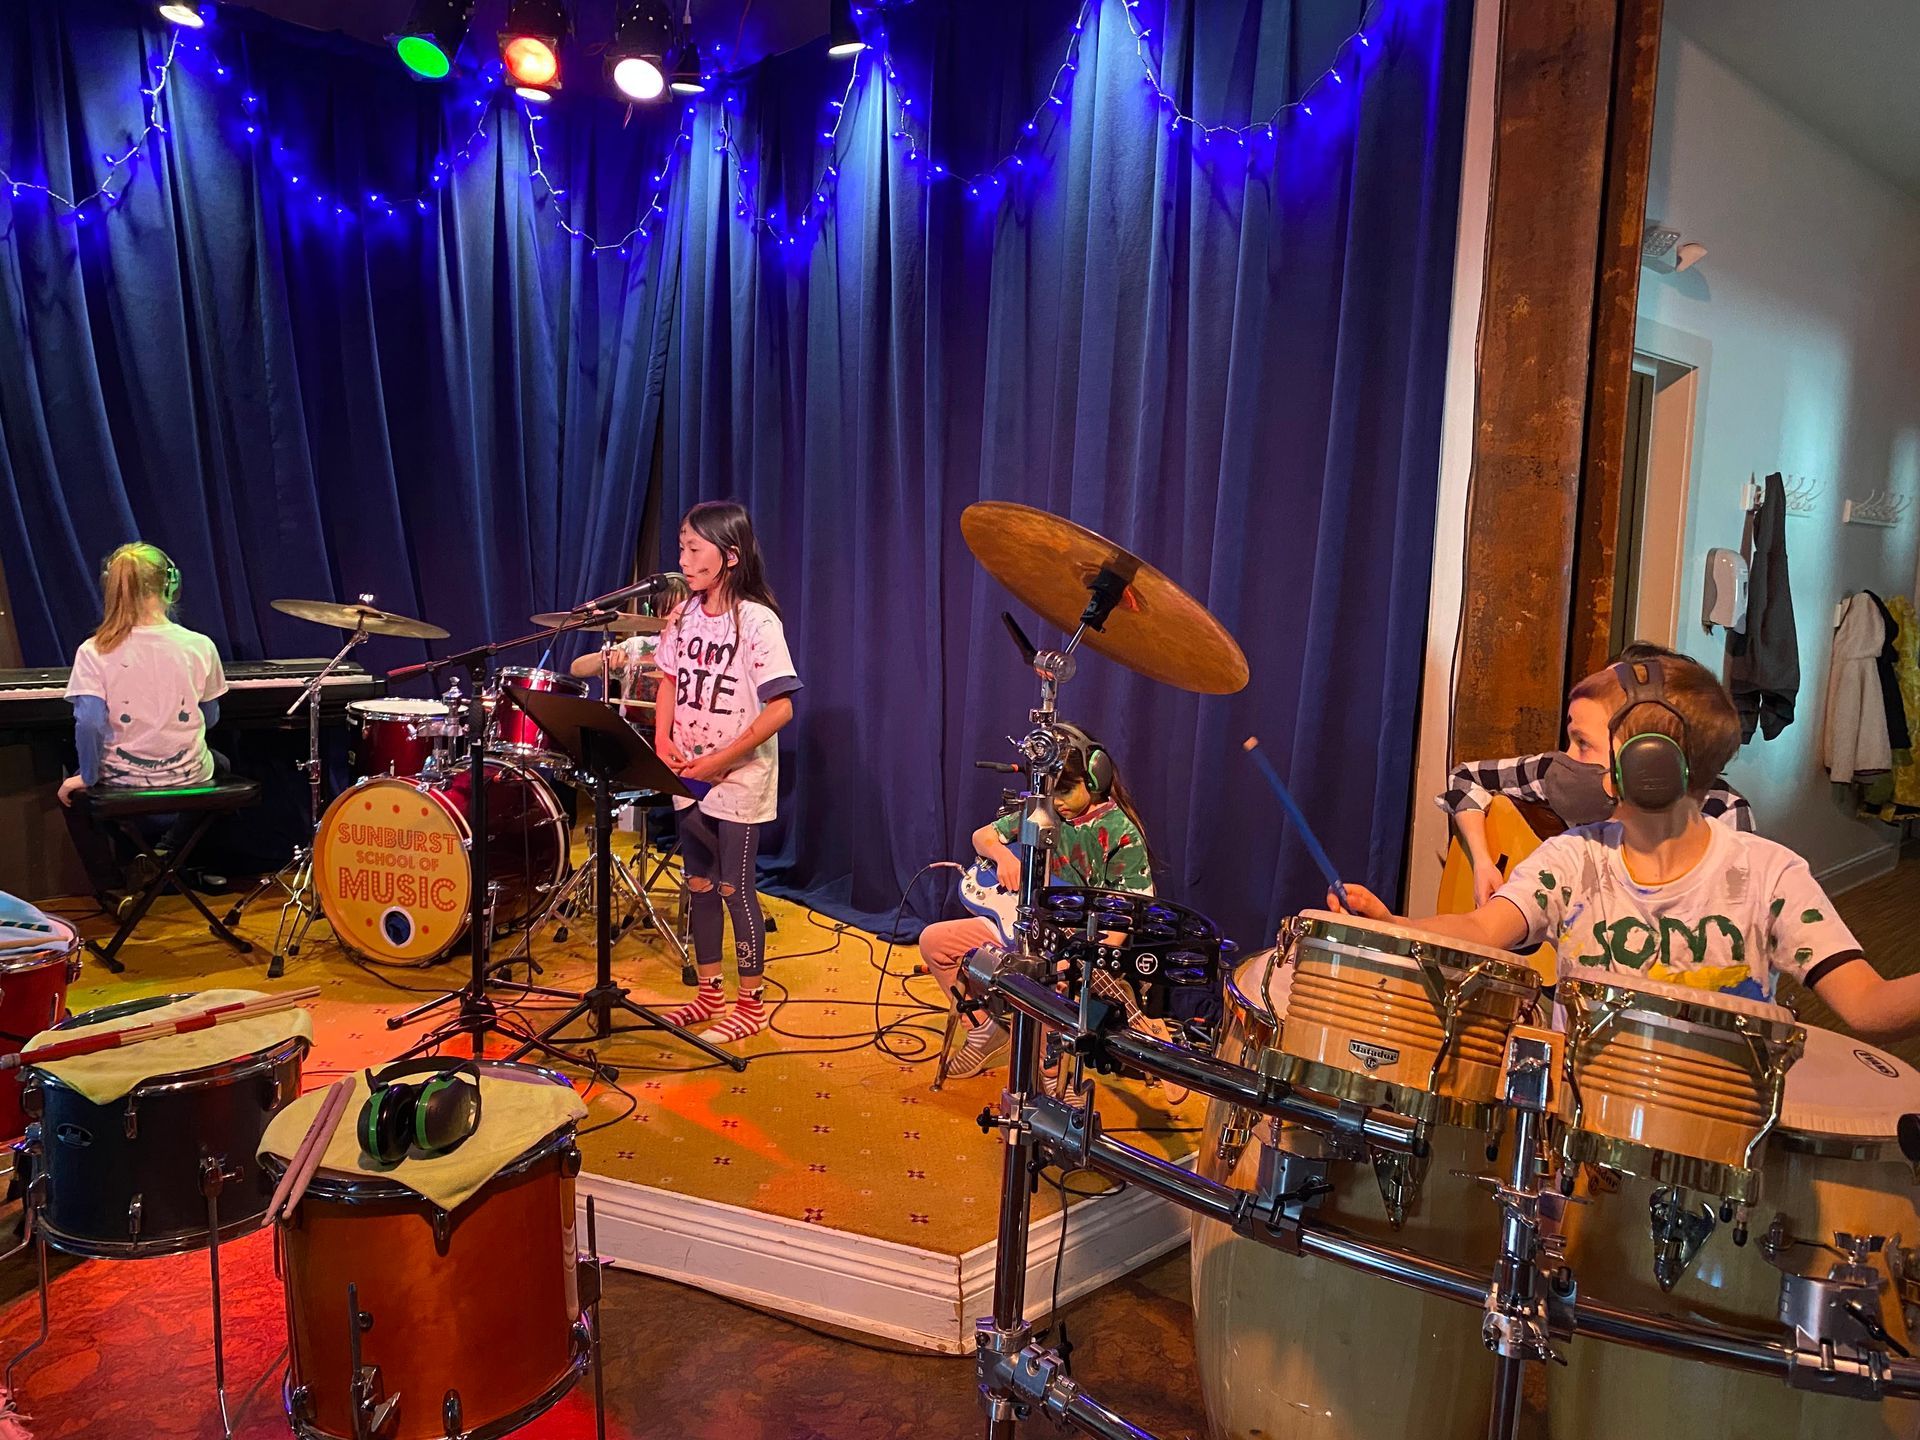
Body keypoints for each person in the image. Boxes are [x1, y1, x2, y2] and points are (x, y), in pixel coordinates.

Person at [1338, 653, 1920, 1037]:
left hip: (1711, 1125)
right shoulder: (1571, 859)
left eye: (1583, 744)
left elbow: (1868, 1005)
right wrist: (1393, 927)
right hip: (1581, 1124)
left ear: (1649, 763)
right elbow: (1483, 930)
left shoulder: (1771, 875)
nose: (1569, 760)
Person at [1439, 641, 1754, 905]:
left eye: (1583, 742)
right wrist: (1483, 862)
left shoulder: (1724, 811)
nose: (1568, 759)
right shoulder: (1567, 777)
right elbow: (1465, 779)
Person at [919, 728, 1153, 1080]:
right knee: (934, 943)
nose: (1055, 800)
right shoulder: (1042, 811)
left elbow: (1124, 916)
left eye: (1065, 789)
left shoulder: (1120, 831)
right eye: (1050, 790)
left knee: (1047, 982)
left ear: (1096, 777)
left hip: (1068, 945)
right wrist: (1003, 857)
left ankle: (1052, 1072)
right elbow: (981, 836)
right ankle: (984, 1028)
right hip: (1017, 927)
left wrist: (1085, 954)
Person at [652, 503, 800, 1045]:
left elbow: (781, 706)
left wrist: (722, 759)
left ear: (729, 557)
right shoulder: (685, 614)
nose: (684, 560)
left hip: (737, 775)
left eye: (695, 549)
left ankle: (750, 1001)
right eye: (682, 548)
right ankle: (709, 991)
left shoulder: (757, 620)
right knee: (697, 883)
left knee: (735, 886)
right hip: (688, 768)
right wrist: (662, 738)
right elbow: (668, 679)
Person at [57, 543, 227, 909]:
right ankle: (166, 854)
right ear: (171, 585)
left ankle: (113, 889)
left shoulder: (94, 650)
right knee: (223, 766)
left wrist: (86, 776)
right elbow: (210, 718)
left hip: (121, 778)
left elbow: (88, 723)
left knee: (71, 794)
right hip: (191, 774)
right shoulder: (200, 645)